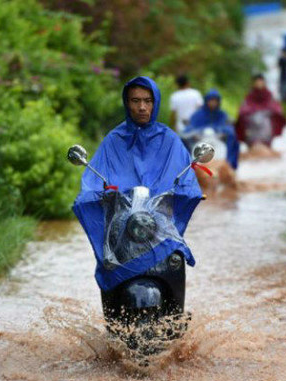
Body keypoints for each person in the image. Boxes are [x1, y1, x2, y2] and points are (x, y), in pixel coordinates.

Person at [72, 76, 202, 291]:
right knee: (108, 262)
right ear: (127, 103)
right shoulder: (113, 140)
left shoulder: (170, 140)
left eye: (148, 101)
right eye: (135, 101)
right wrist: (91, 194)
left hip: (159, 226)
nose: (142, 107)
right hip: (123, 227)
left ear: (155, 103)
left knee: (176, 258)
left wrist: (189, 191)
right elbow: (94, 178)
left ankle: (176, 317)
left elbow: (185, 175)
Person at [186, 89, 239, 190]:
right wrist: (195, 134)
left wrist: (222, 132)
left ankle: (231, 164)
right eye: (211, 100)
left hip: (218, 142)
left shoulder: (222, 114)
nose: (213, 103)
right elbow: (189, 129)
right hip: (200, 142)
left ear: (219, 102)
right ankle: (186, 168)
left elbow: (227, 127)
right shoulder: (197, 115)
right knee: (181, 141)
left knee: (233, 137)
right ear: (206, 101)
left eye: (215, 101)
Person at [235, 73, 286, 157]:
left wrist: (271, 113)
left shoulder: (269, 96)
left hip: (266, 130)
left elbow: (277, 109)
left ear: (264, 83)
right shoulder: (249, 97)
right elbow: (242, 111)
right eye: (257, 82)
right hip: (252, 130)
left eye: (260, 81)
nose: (259, 83)